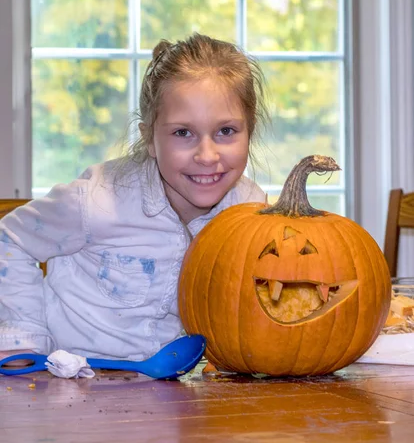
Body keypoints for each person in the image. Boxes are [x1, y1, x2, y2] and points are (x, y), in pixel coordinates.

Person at [0, 33, 268, 362]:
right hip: (67, 381)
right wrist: (23, 335)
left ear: (249, 132)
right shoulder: (96, 200)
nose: (207, 155)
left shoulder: (250, 211)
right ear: (150, 139)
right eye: (183, 133)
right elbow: (11, 238)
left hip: (175, 391)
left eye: (226, 131)